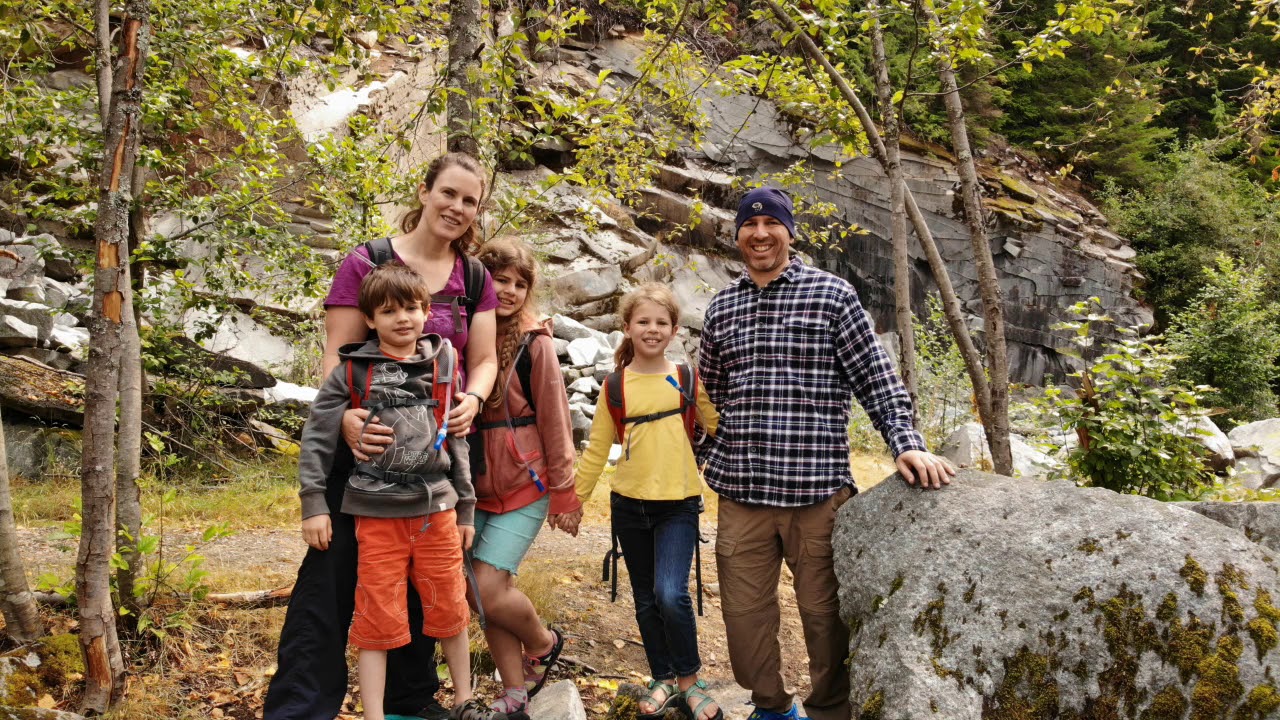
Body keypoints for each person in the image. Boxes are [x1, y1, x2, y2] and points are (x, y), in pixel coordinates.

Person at [699, 187, 954, 720]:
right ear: (738, 235)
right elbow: (711, 395)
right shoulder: (721, 307)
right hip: (742, 496)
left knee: (824, 620)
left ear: (790, 232)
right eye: (750, 224)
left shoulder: (832, 295)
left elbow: (876, 378)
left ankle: (829, 712)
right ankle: (770, 707)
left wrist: (906, 444)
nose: (761, 233)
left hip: (817, 494)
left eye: (773, 224)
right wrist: (704, 455)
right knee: (745, 620)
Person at [266, 152, 500, 720]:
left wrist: (471, 398)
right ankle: (301, 708)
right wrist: (344, 418)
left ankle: (409, 703)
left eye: (470, 201)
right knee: (331, 582)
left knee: (425, 584)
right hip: (362, 452)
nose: (457, 208)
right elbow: (337, 356)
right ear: (424, 192)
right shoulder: (367, 262)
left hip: (431, 459)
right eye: (449, 193)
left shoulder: (473, 277)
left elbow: (485, 359)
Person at [296, 262, 490, 720]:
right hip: (375, 515)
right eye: (388, 311)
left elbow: (454, 437)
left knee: (450, 607)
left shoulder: (444, 363)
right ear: (369, 319)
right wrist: (314, 505)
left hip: (437, 511)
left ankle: (464, 701)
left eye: (412, 308)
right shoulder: (351, 371)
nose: (402, 318)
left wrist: (466, 508)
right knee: (377, 615)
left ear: (427, 312)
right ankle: (375, 715)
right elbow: (317, 438)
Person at [567, 284, 724, 720]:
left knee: (670, 593)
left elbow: (719, 427)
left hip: (679, 503)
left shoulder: (688, 378)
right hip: (628, 505)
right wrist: (575, 502)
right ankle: (663, 677)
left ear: (674, 330)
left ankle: (690, 680)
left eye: (661, 322)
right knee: (645, 597)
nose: (652, 330)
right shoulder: (615, 386)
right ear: (627, 327)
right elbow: (597, 449)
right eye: (643, 322)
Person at [466, 238, 580, 718]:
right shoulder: (469, 332)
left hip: (525, 484)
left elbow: (556, 419)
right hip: (476, 485)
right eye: (500, 280)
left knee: (489, 588)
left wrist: (564, 493)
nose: (509, 291)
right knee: (478, 592)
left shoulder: (537, 342)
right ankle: (514, 690)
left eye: (519, 283)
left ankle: (543, 642)